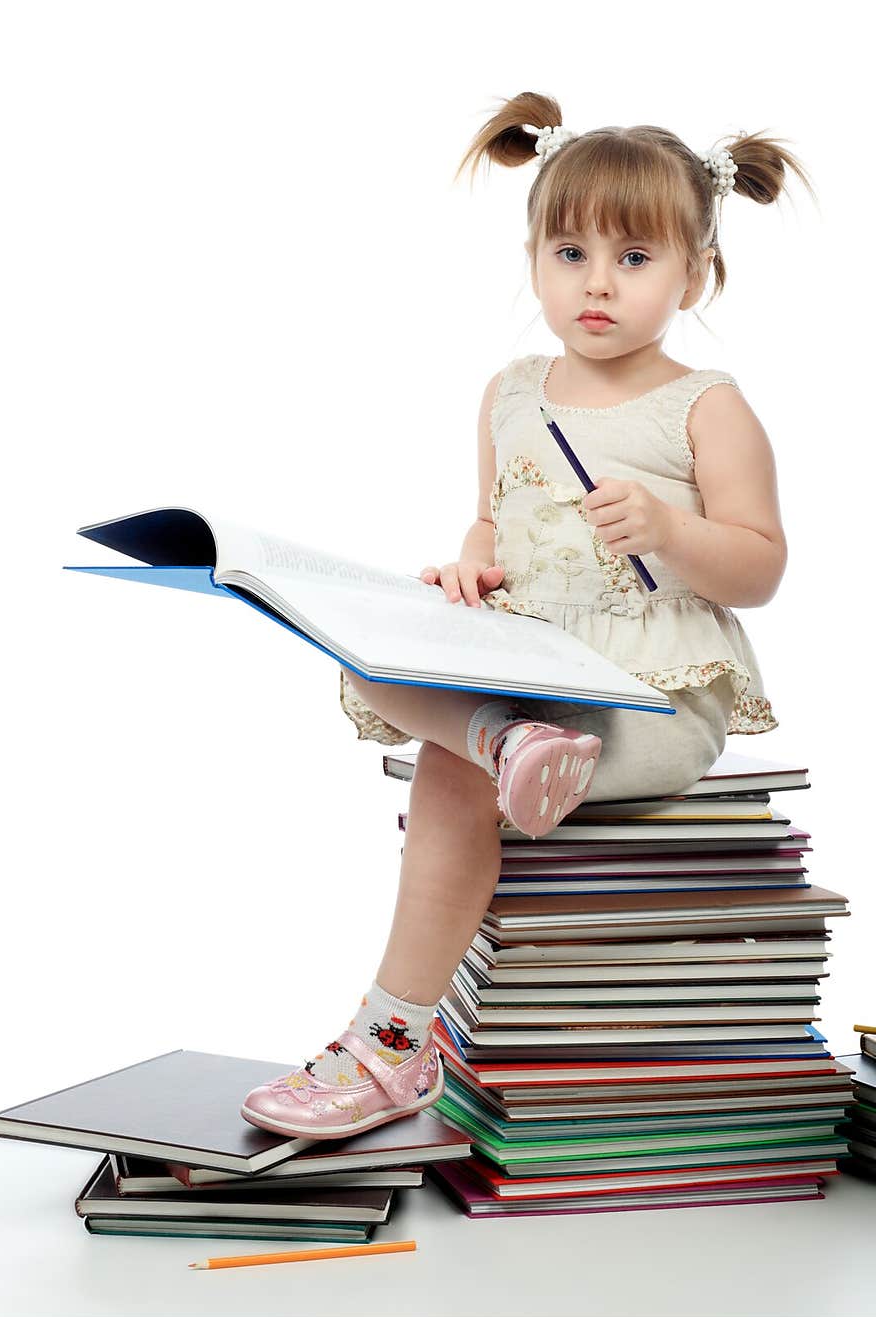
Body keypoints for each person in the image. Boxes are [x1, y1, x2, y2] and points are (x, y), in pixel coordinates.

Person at [241, 92, 814, 1143]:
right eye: (568, 251)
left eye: (635, 258)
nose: (596, 282)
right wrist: (469, 570)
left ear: (696, 274)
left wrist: (670, 532)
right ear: (533, 258)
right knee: (370, 664)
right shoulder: (511, 391)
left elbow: (761, 566)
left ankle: (389, 1042)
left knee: (450, 770)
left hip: (646, 697)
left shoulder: (704, 405)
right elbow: (490, 522)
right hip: (533, 678)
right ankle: (507, 739)